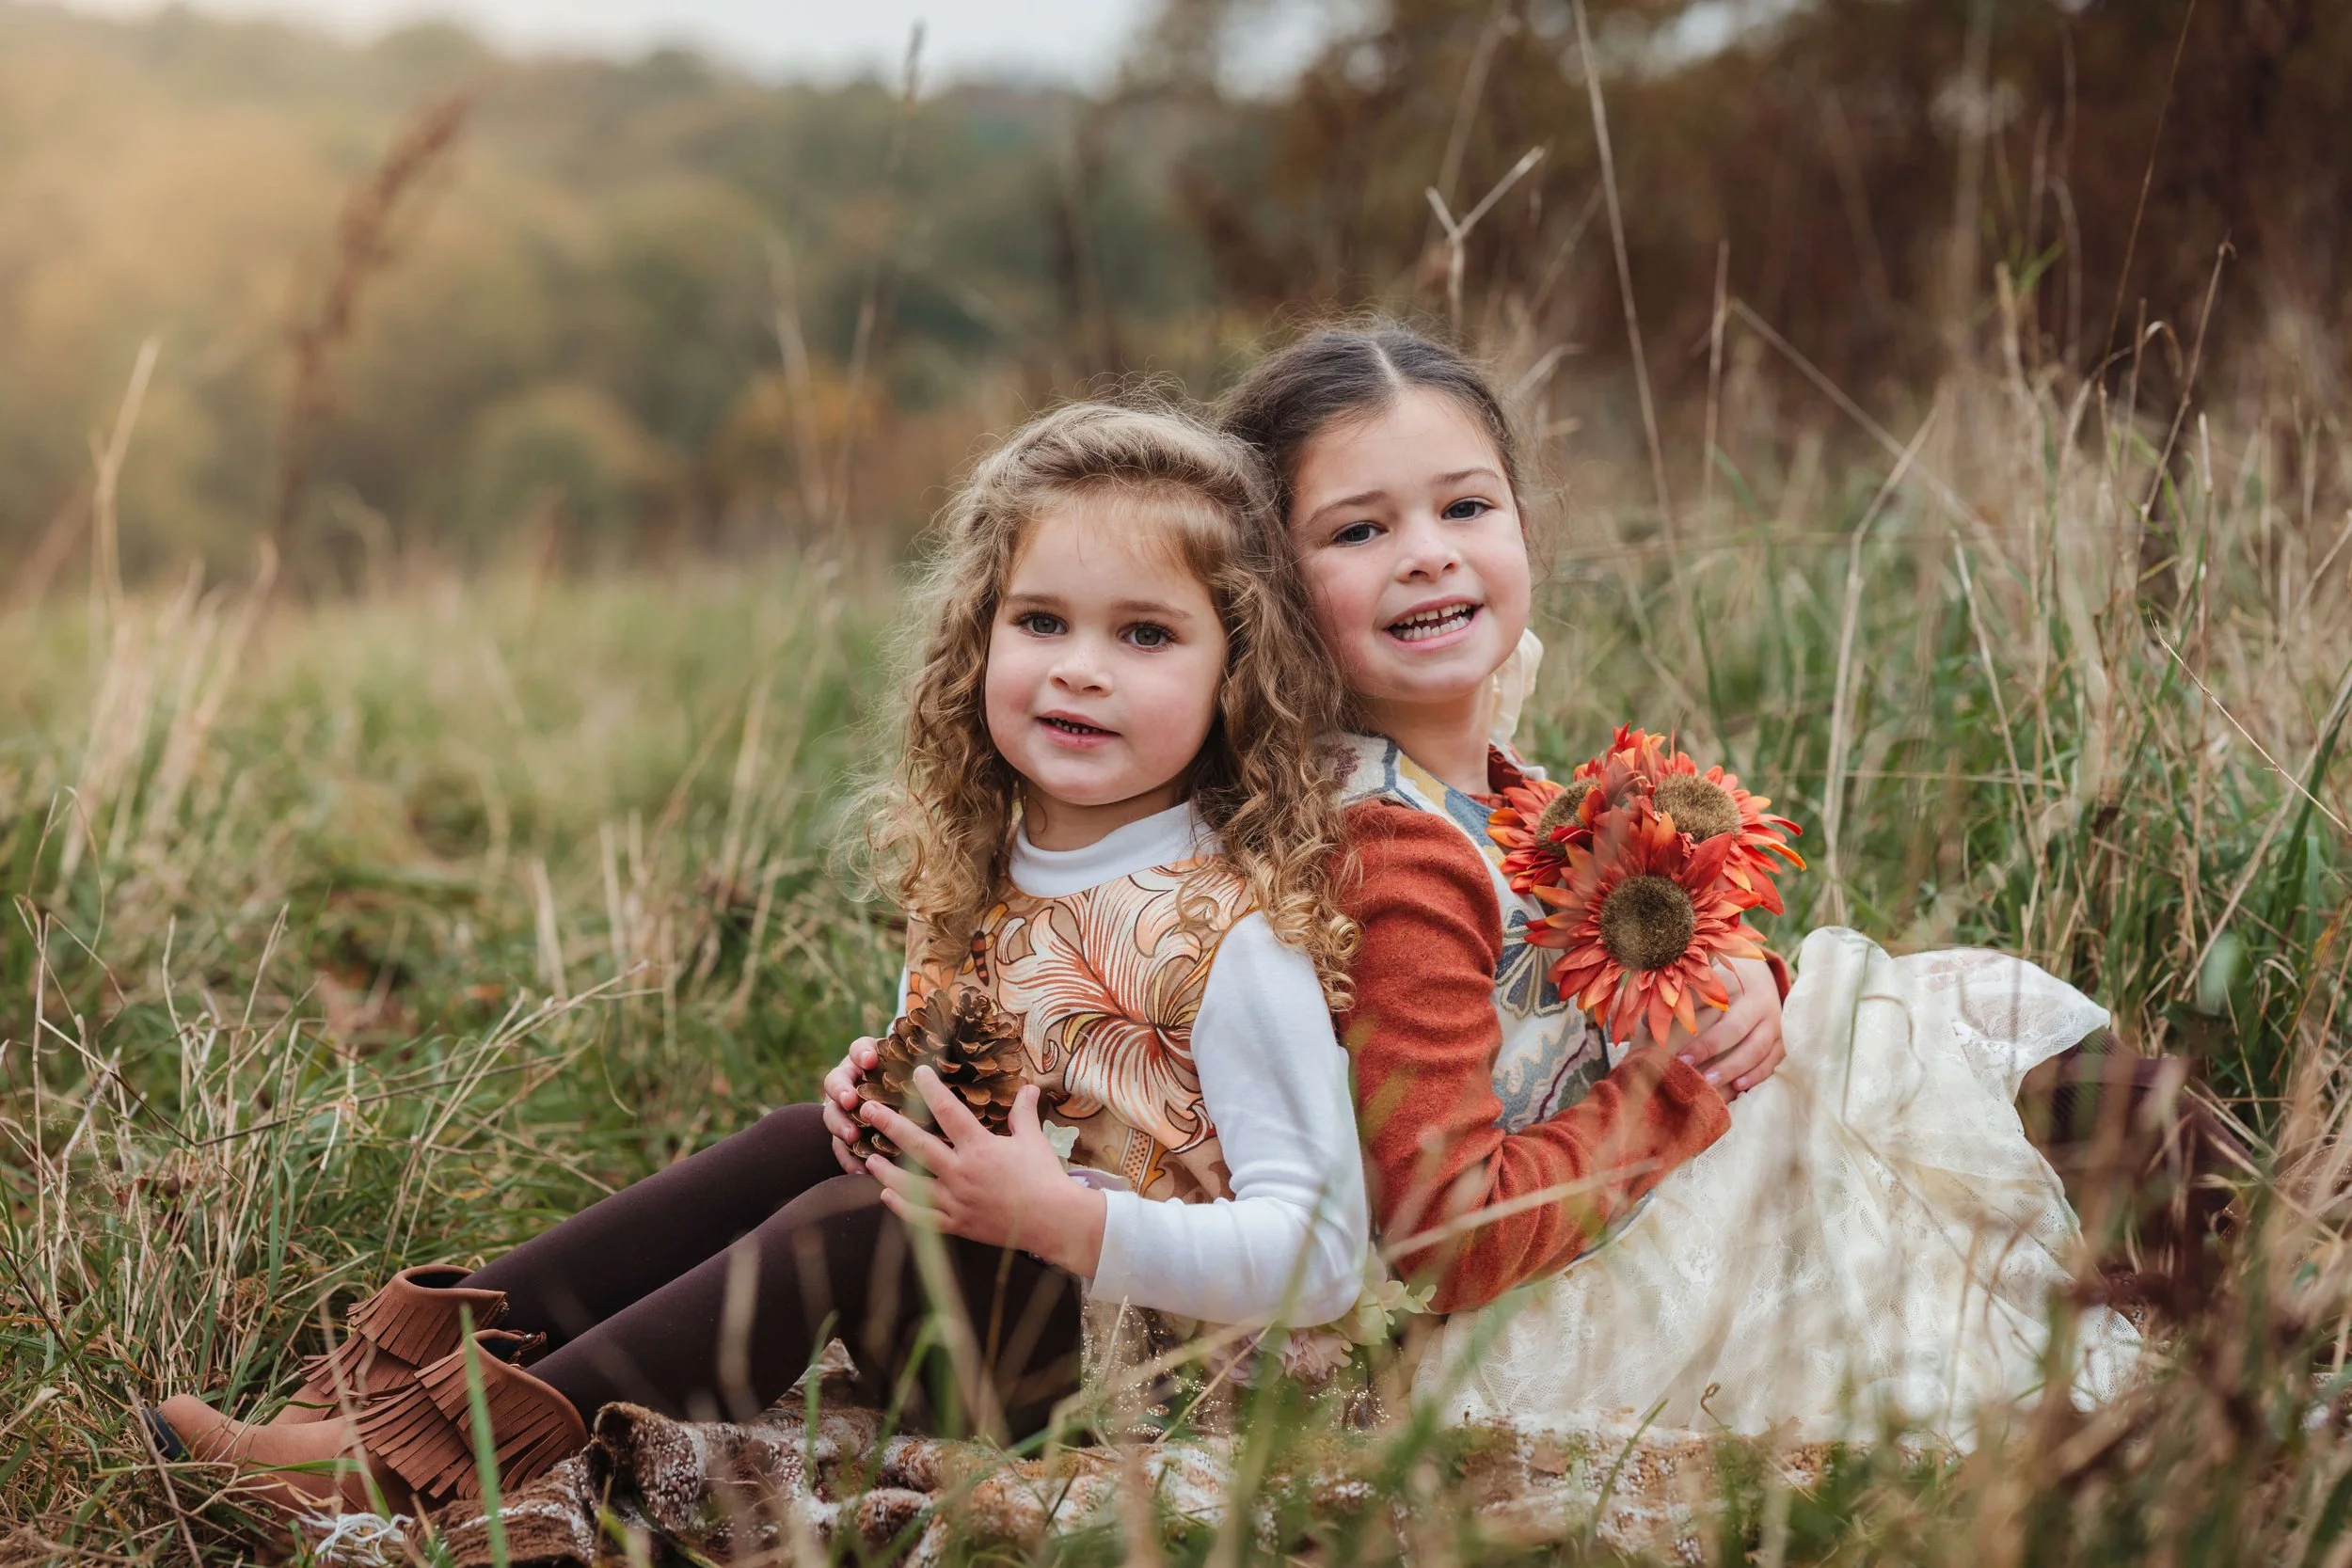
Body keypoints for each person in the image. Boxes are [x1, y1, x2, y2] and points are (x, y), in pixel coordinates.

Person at [149, 401, 1372, 1530]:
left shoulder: (1233, 928)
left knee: (860, 1224)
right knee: (810, 1142)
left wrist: (1064, 1213)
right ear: (979, 632)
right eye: (1040, 620)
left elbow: (1320, 1256)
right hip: (991, 1315)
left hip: (1154, 1378)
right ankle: (393, 1387)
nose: (1080, 666)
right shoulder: (989, 866)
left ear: (1237, 672)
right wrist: (882, 1108)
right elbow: (965, 1110)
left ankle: (433, 1465)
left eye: (1146, 633)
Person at [1213, 323, 2149, 1442]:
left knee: (1979, 1014)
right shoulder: (1392, 849)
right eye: (1359, 529)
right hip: (1552, 1293)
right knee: (1959, 1037)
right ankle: (2237, 1311)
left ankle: (2239, 1286)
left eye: (1465, 506)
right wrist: (1678, 1086)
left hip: (1612, 1181)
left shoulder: (1488, 785)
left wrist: (1738, 970)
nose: (1427, 552)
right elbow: (1445, 1230)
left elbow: (1579, 988)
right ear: (1268, 585)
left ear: (1521, 521)